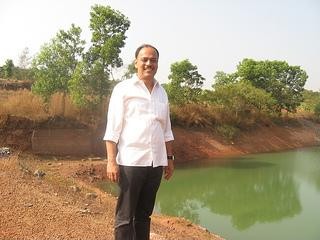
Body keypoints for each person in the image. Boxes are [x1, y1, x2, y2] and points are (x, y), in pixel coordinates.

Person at [103, 44, 175, 240]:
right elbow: (112, 129)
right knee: (125, 216)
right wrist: (111, 161)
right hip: (131, 162)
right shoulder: (123, 89)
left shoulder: (162, 92)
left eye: (153, 60)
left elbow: (166, 130)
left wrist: (169, 158)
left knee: (144, 215)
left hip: (155, 163)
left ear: (158, 64)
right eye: (144, 59)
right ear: (136, 62)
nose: (149, 63)